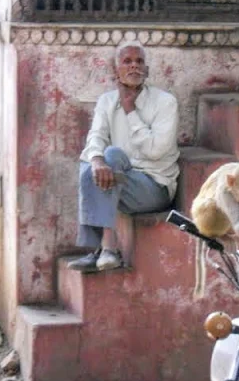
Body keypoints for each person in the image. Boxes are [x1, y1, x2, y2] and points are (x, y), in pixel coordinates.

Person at [68, 41, 180, 272]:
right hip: (120, 179)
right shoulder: (107, 101)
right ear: (115, 70)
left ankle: (105, 248)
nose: (134, 67)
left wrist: (130, 111)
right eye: (127, 61)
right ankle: (104, 249)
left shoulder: (165, 102)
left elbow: (155, 150)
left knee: (108, 159)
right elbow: (95, 137)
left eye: (139, 62)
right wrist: (97, 161)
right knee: (95, 159)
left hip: (153, 187)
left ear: (147, 70)